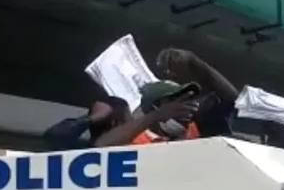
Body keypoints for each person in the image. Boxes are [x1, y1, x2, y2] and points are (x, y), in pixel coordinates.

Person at [95, 48, 238, 146]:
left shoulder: (196, 130)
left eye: (188, 99)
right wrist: (156, 116)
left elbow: (231, 99)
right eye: (176, 100)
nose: (185, 105)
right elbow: (102, 145)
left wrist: (193, 61)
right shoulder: (137, 138)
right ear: (155, 106)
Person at [44, 96, 133, 151]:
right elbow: (54, 137)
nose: (134, 124)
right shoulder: (85, 152)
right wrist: (93, 117)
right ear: (115, 123)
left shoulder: (139, 152)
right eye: (129, 119)